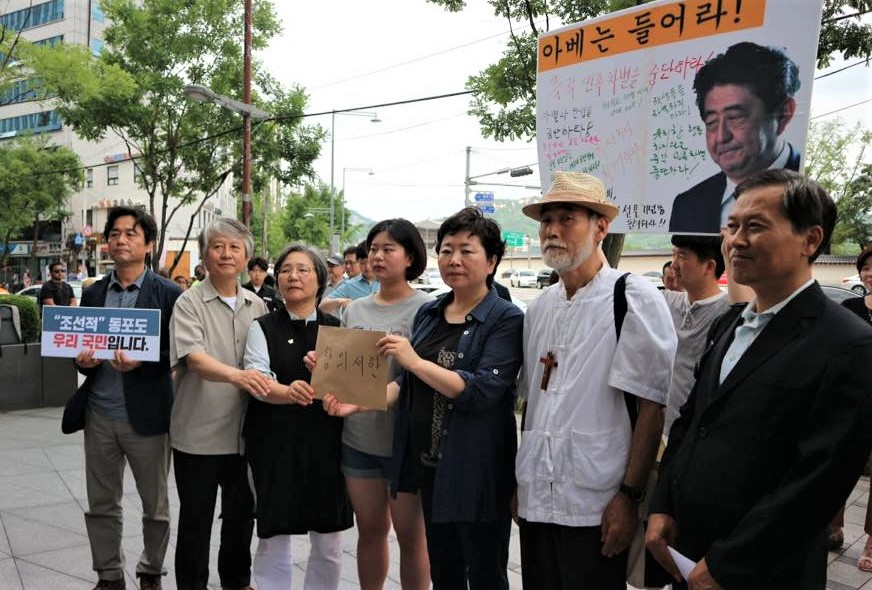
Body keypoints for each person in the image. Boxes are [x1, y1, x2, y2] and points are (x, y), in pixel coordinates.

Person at [647, 169, 872, 589]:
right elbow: (692, 420)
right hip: (689, 552)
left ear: (810, 239)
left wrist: (729, 564)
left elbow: (819, 481)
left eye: (755, 226)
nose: (736, 240)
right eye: (731, 226)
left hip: (763, 570)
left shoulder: (849, 344)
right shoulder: (730, 324)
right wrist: (662, 506)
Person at [515, 171, 677, 589]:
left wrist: (629, 496)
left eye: (566, 218)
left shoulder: (633, 298)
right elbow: (534, 398)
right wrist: (522, 481)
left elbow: (651, 407)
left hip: (597, 501)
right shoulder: (540, 308)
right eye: (546, 220)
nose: (551, 230)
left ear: (600, 227)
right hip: (538, 496)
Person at [386, 208, 523, 588]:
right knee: (443, 571)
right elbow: (408, 381)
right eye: (446, 251)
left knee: (484, 574)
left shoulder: (506, 319)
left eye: (467, 250)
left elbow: (481, 391)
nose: (454, 260)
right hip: (430, 469)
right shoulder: (430, 312)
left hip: (476, 471)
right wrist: (361, 396)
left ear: (492, 261)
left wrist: (413, 360)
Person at [71, 206, 183, 590]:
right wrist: (83, 362)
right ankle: (109, 573)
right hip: (99, 414)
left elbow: (179, 354)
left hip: (148, 415)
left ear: (149, 244)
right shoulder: (94, 292)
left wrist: (143, 364)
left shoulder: (169, 293)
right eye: (114, 233)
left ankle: (151, 570)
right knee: (101, 503)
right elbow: (83, 351)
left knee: (156, 506)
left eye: (131, 233)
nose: (120, 240)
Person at [322, 219, 433, 590]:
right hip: (359, 440)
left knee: (411, 539)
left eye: (389, 249)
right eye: (374, 249)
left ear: (411, 257)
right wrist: (324, 375)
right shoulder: (355, 310)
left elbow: (415, 378)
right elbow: (345, 372)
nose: (378, 256)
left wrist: (365, 400)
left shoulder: (427, 310)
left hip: (405, 445)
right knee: (370, 532)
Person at [242, 243, 353, 590]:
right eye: (287, 269)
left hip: (327, 442)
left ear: (320, 280)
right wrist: (286, 392)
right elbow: (256, 377)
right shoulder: (262, 327)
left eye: (303, 269)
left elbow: (353, 388)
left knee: (329, 538)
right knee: (274, 533)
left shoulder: (338, 330)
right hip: (274, 440)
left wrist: (332, 380)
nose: (293, 276)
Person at [170, 218, 272, 590]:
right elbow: (193, 358)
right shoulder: (188, 302)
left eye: (234, 247)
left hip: (245, 436)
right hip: (198, 435)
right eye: (218, 246)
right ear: (205, 255)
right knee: (195, 522)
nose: (226, 254)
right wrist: (238, 376)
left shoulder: (258, 305)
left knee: (241, 518)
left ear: (246, 256)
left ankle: (236, 581)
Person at [669, 42, 801, 234]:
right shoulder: (687, 205)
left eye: (735, 117)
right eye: (712, 122)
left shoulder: (807, 196)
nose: (721, 136)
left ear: (783, 113)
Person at [661, 235, 731, 435]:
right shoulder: (667, 301)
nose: (674, 264)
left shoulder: (729, 313)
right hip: (662, 431)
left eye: (682, 256)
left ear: (709, 266)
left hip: (697, 434)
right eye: (674, 255)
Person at [831, 245, 872, 564]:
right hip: (851, 399)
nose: (870, 273)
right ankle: (834, 527)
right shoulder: (850, 306)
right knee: (838, 463)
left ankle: (871, 542)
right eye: (866, 268)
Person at [319, 242, 380, 316]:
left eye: (370, 262)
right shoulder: (349, 285)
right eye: (363, 263)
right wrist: (339, 301)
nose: (367, 267)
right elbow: (322, 306)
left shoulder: (389, 282)